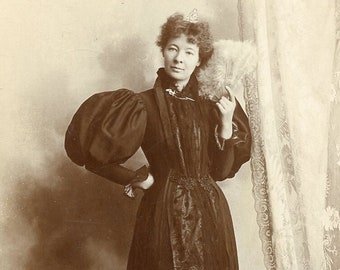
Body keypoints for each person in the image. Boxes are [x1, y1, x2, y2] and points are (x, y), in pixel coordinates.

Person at [65, 11, 251, 270]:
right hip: (163, 214)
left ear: (199, 60)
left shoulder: (213, 105)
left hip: (212, 215)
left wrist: (225, 123)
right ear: (163, 51)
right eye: (173, 49)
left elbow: (220, 172)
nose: (179, 58)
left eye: (189, 52)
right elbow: (94, 157)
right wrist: (136, 177)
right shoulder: (142, 104)